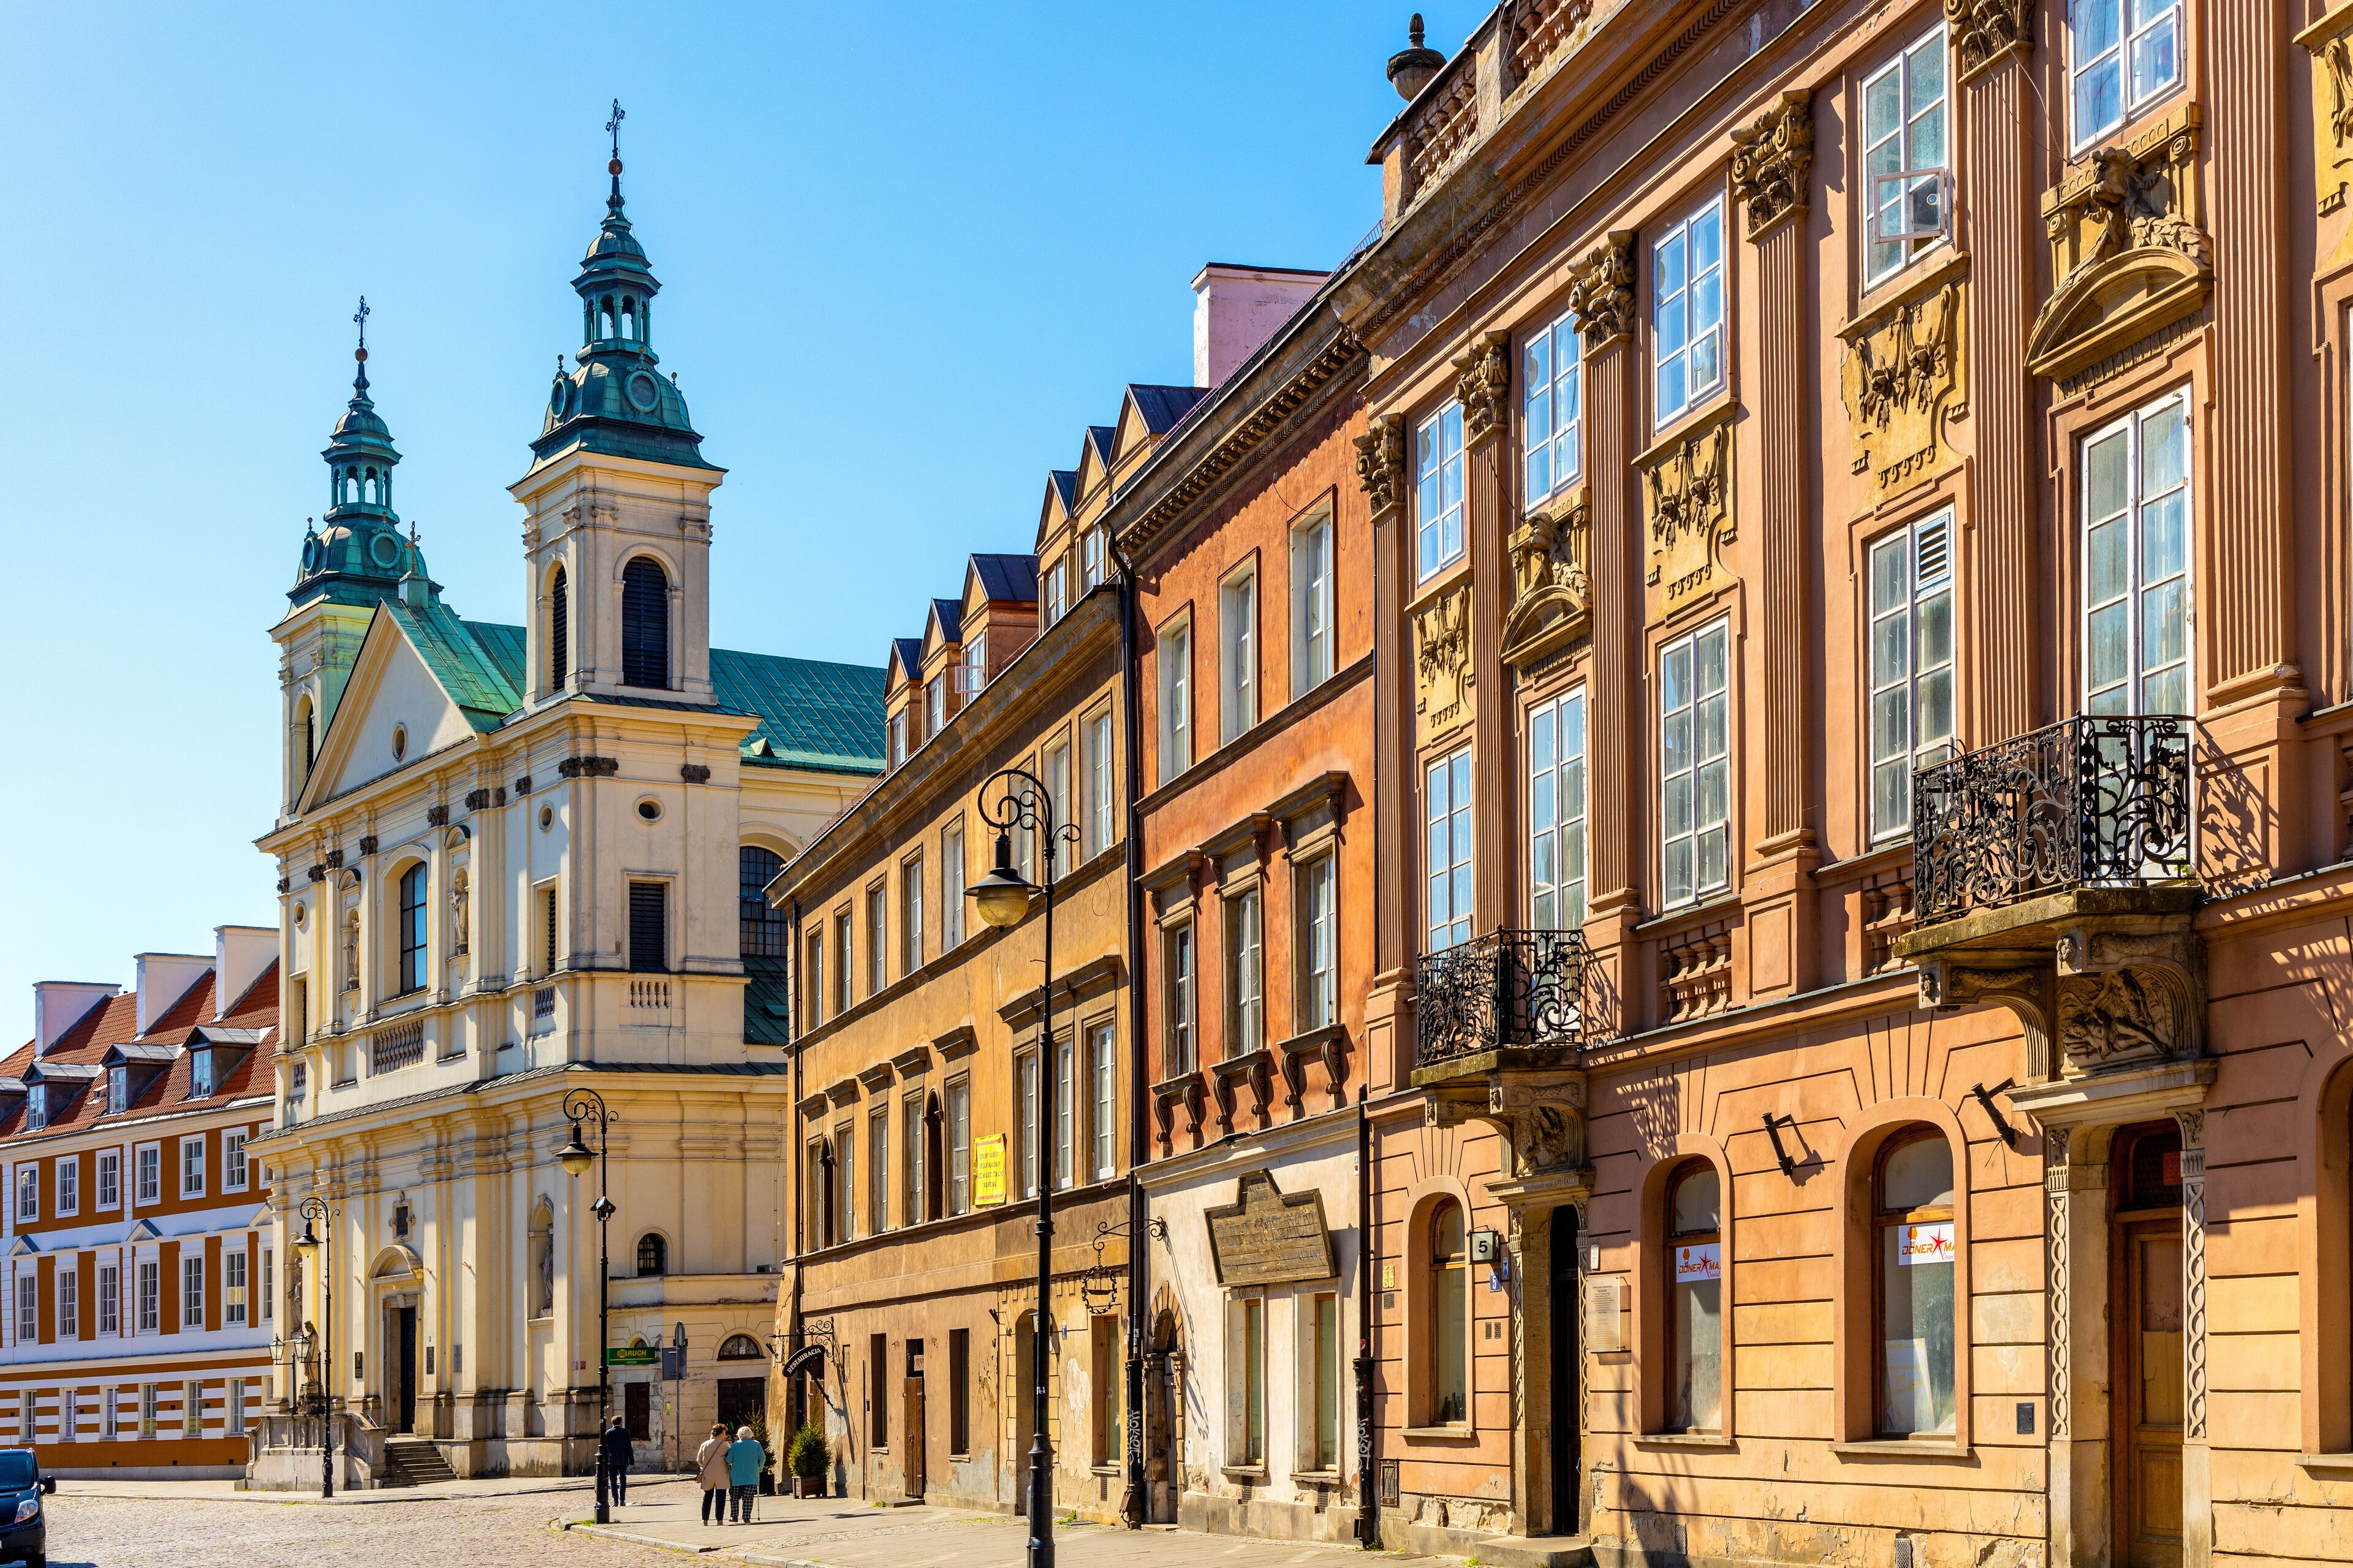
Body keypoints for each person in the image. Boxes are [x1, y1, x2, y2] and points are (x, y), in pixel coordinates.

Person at [726, 1424, 765, 1524]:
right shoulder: (756, 1444)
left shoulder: (735, 1445)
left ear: (739, 1435)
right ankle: (746, 1517)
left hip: (737, 1477)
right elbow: (763, 1458)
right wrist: (759, 1469)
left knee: (734, 1497)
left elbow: (729, 1459)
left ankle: (734, 1516)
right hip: (752, 1476)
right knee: (748, 1498)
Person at [695, 1422, 731, 1524]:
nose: (725, 1435)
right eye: (724, 1433)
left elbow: (699, 1460)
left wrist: (705, 1465)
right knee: (721, 1497)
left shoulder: (705, 1444)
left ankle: (705, 1519)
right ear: (720, 1433)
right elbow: (729, 1459)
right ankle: (720, 1520)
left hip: (708, 1473)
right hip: (722, 1474)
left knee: (708, 1496)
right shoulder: (725, 1445)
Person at [599, 1414, 634, 1507]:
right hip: (623, 1460)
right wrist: (632, 1461)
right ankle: (622, 1499)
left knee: (613, 1481)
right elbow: (629, 1448)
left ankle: (615, 1500)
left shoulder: (608, 1433)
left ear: (612, 1423)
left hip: (611, 1461)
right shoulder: (626, 1432)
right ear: (621, 1422)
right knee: (623, 1479)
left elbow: (605, 1448)